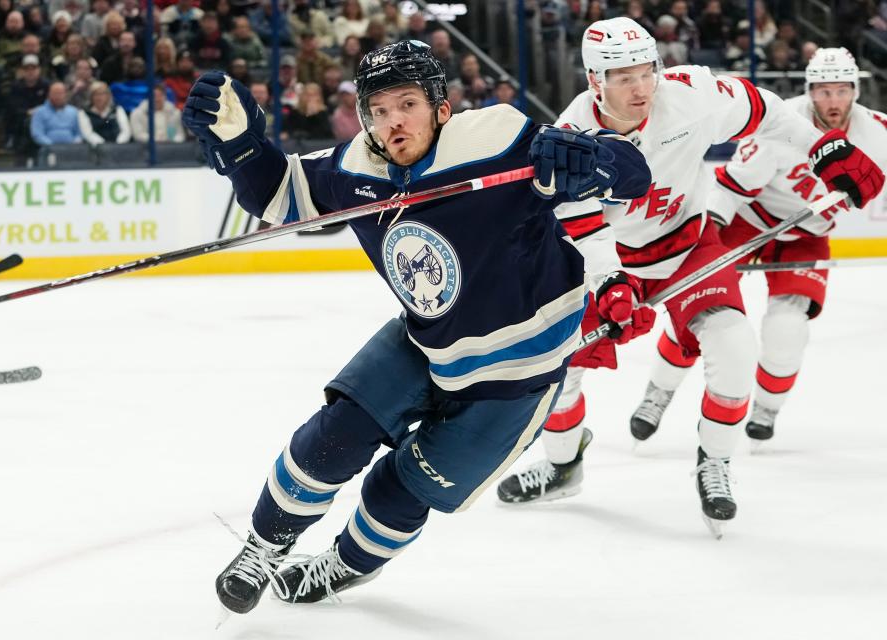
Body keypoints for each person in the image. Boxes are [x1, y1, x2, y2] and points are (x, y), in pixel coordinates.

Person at [180, 39, 650, 615]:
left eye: (406, 104)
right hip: (424, 342)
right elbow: (281, 192)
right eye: (377, 110)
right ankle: (262, 547)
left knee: (402, 490)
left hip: (517, 378)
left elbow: (632, 174)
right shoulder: (358, 168)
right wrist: (240, 145)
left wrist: (589, 159)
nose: (392, 121)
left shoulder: (500, 140)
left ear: (440, 107)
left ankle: (342, 567)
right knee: (328, 441)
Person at [496, 18, 883, 537]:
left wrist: (821, 147)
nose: (641, 89)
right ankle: (564, 466)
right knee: (559, 373)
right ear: (595, 81)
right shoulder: (571, 139)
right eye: (624, 77)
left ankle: (715, 460)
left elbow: (763, 109)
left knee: (734, 343)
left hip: (687, 244)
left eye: (646, 72)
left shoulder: (691, 93)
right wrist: (611, 282)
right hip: (610, 260)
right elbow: (581, 223)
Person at [652, 48, 887, 445]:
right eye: (824, 91)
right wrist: (710, 236)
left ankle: (765, 409)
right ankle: (657, 394)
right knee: (699, 310)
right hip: (748, 220)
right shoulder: (785, 126)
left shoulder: (877, 133)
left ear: (856, 91)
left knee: (787, 329)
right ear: (810, 91)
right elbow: (731, 189)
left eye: (842, 90)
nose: (833, 101)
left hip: (806, 235)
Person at [78, 80, 131, 144]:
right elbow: (88, 133)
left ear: (108, 96)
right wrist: (104, 146)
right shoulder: (84, 112)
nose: (99, 97)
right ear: (91, 97)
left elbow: (126, 131)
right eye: (96, 94)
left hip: (118, 147)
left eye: (102, 94)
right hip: (95, 149)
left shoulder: (117, 110)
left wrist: (118, 144)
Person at [30, 81, 82, 147]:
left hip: (72, 148)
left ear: (65, 94)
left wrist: (75, 143)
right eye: (55, 93)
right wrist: (52, 146)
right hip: (49, 148)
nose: (58, 96)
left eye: (60, 93)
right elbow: (37, 134)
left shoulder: (73, 111)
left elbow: (79, 133)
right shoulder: (39, 112)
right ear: (49, 95)